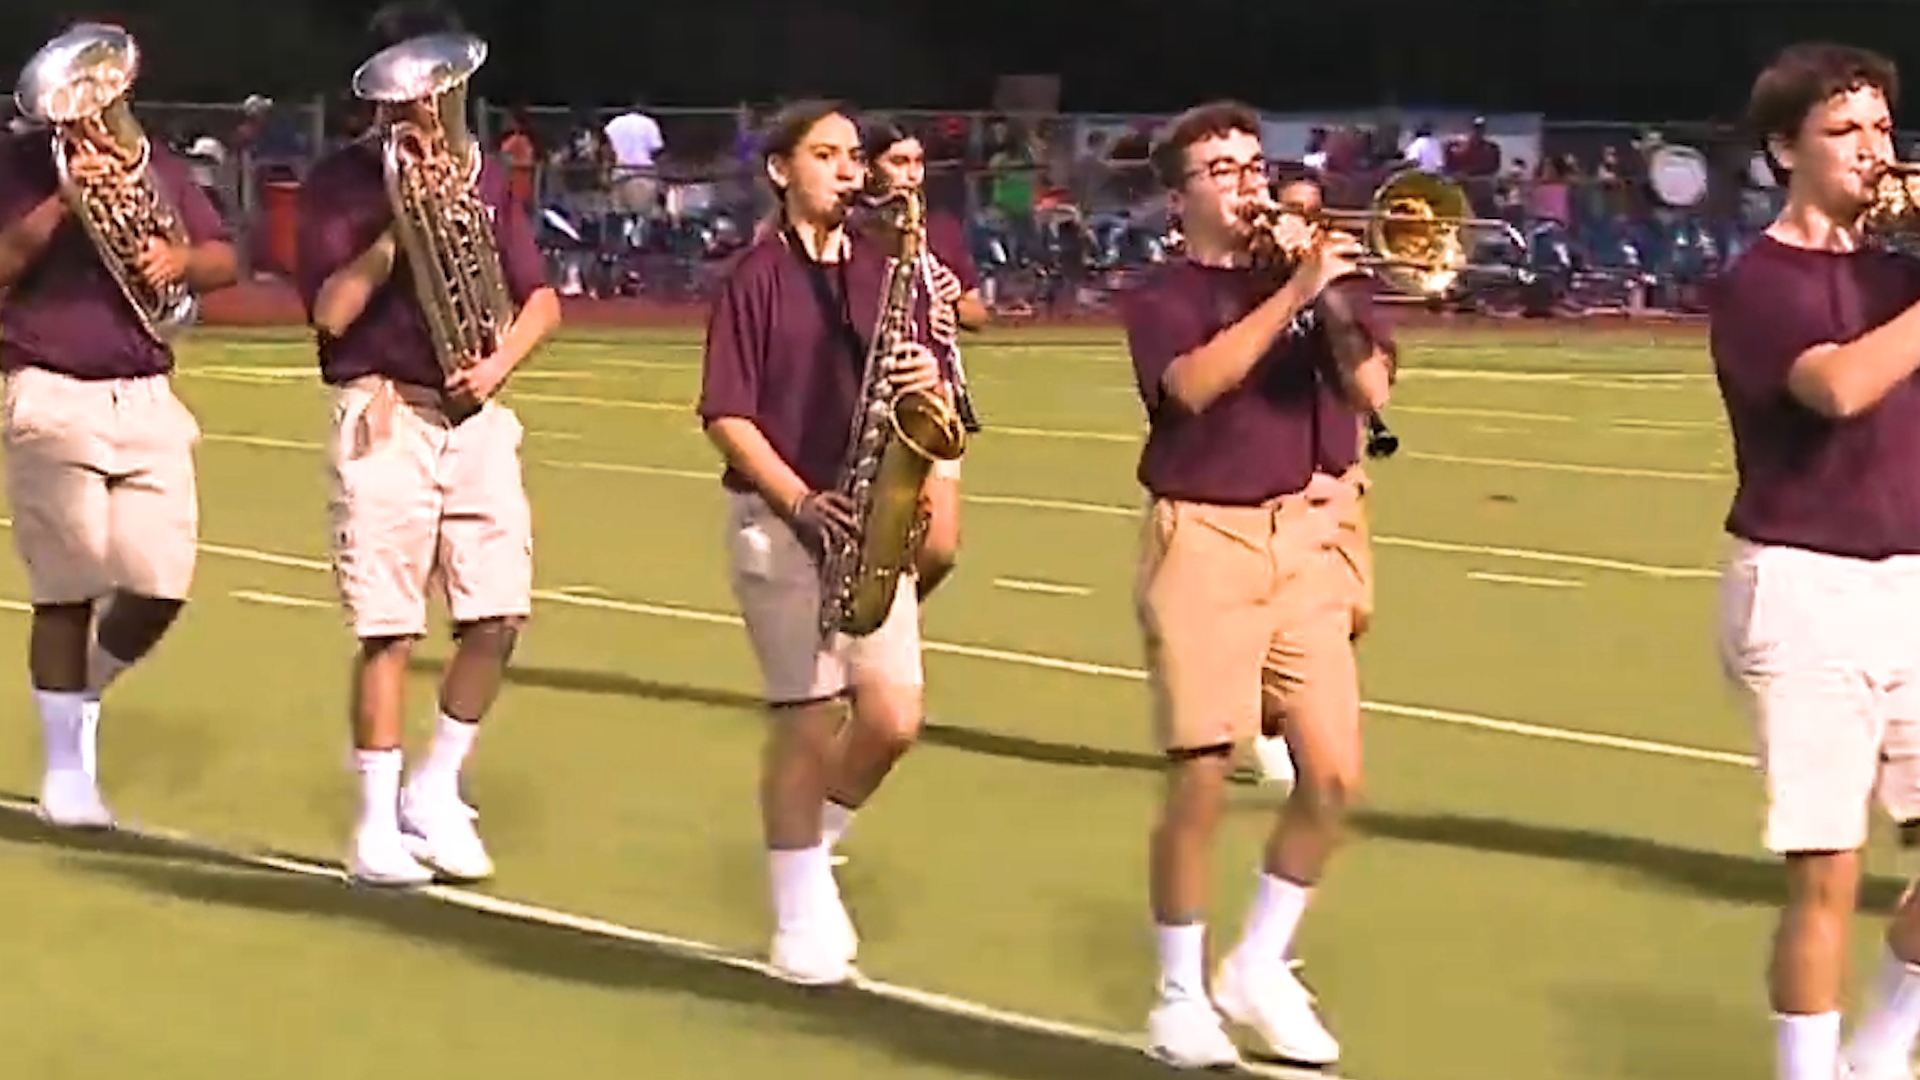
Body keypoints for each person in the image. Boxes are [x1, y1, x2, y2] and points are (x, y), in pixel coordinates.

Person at [1120, 101, 1393, 1069]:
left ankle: (1260, 963)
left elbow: (1376, 395)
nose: (1247, 183)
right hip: (1204, 537)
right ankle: (1176, 991)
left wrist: (1333, 299)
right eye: (1222, 169)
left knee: (1335, 776)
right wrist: (1291, 297)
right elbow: (1190, 389)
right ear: (1179, 193)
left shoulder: (1307, 276)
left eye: (1252, 164)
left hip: (1306, 539)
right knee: (1201, 779)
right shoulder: (1162, 293)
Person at [294, 0, 562, 887]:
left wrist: (497, 367)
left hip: (474, 414)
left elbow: (542, 300)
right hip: (383, 410)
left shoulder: (483, 177)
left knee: (499, 614)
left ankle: (435, 785)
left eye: (436, 82)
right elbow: (329, 316)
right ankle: (373, 825)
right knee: (389, 628)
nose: (420, 102)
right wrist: (398, 228)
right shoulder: (340, 181)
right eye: (404, 84)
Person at [697, 99, 945, 986]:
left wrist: (925, 382)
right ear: (780, 171)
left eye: (854, 157)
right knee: (806, 720)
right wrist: (801, 500)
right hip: (785, 517)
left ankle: (811, 846)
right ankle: (797, 905)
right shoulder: (754, 277)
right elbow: (726, 415)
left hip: (870, 516)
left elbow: (926, 404)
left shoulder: (882, 273)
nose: (850, 170)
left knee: (892, 717)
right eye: (826, 155)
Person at [1710, 42, 1920, 1080]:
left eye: (1883, 128)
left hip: (1911, 580)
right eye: (1844, 131)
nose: (1873, 151)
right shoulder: (1760, 281)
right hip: (1803, 585)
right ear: (1784, 148)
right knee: (1828, 876)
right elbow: (1837, 390)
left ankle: (1877, 1053)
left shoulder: (1897, 271)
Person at [0, 25, 238, 829]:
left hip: (144, 392)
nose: (88, 108)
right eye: (74, 97)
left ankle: (82, 691)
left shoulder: (159, 167)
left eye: (101, 92)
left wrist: (180, 264)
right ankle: (68, 772)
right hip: (49, 386)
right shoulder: (20, 167)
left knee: (160, 585)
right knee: (66, 587)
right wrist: (62, 206)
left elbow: (222, 259)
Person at [1245, 173, 1380, 792]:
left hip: (1339, 471)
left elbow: (1371, 385)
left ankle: (1261, 704)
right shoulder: (1242, 281)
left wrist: (1325, 288)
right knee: (1295, 619)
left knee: (1354, 610)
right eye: (1286, 212)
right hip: (1270, 481)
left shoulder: (1345, 282)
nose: (1296, 224)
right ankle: (1271, 724)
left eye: (1308, 214)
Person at [860, 118, 989, 599]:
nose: (912, 174)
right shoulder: (854, 231)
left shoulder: (942, 229)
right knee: (871, 541)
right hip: (875, 394)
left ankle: (888, 622)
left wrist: (956, 300)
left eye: (917, 162)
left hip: (935, 397)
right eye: (898, 162)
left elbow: (979, 314)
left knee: (940, 548)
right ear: (869, 168)